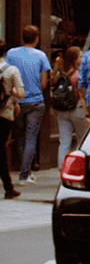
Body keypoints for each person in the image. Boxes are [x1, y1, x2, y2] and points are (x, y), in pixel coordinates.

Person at [7, 24, 50, 184]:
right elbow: (44, 83)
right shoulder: (41, 56)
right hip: (35, 100)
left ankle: (25, 170)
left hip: (18, 101)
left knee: (20, 137)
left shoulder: (11, 54)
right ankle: (25, 174)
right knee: (31, 137)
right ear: (37, 38)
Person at [49, 44, 87, 167]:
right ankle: (79, 166)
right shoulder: (78, 75)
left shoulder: (59, 74)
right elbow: (81, 95)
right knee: (82, 139)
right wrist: (86, 113)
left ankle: (62, 166)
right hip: (76, 109)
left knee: (64, 140)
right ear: (74, 59)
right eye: (80, 56)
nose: (81, 59)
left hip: (61, 110)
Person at [0, 40, 25, 198]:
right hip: (4, 114)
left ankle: (9, 187)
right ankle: (8, 188)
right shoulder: (11, 70)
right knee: (1, 150)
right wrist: (13, 93)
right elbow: (21, 94)